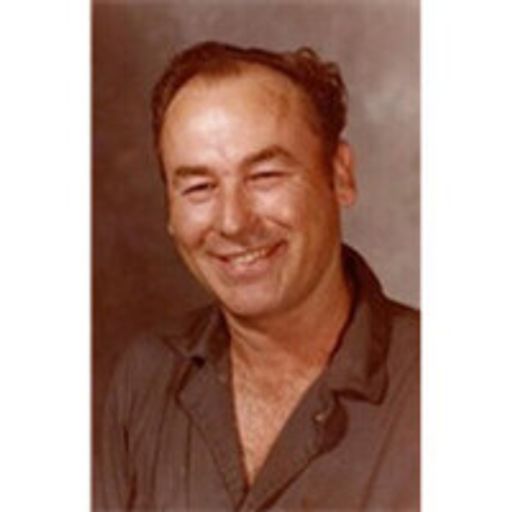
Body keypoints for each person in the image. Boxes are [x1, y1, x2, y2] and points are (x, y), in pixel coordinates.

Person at [97, 41, 419, 511]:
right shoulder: (145, 379)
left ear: (340, 176)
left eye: (265, 176)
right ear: (169, 209)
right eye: (200, 186)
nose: (233, 221)